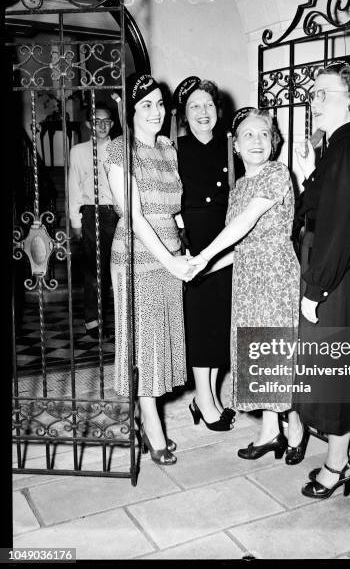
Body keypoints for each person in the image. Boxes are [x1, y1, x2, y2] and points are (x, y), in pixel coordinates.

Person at [190, 108, 307, 464]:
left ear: (274, 143)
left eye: (264, 134)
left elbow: (246, 222)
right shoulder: (239, 185)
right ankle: (271, 431)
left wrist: (205, 254)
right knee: (259, 351)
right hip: (246, 276)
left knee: (278, 349)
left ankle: (296, 427)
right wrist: (204, 268)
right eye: (248, 135)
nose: (257, 141)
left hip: (274, 274)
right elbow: (240, 245)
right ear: (236, 146)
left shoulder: (276, 173)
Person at [293, 60, 350, 498]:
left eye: (323, 93)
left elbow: (341, 226)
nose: (314, 102)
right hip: (333, 264)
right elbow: (318, 207)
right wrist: (310, 168)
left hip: (336, 273)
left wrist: (317, 288)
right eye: (313, 95)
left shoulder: (348, 149)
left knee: (336, 371)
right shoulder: (338, 148)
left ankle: (338, 464)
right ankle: (341, 455)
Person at [104, 73, 194, 465]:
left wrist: (185, 247)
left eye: (160, 104)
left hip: (169, 254)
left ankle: (148, 415)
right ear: (129, 109)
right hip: (136, 258)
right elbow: (135, 216)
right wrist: (170, 259)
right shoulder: (117, 150)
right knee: (144, 343)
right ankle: (152, 426)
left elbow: (173, 211)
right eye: (146, 105)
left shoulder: (167, 149)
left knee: (160, 342)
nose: (156, 112)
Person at [172, 76, 236, 431]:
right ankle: (205, 400)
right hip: (193, 244)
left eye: (209, 105)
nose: (203, 112)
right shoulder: (174, 148)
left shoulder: (229, 145)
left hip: (225, 242)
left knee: (218, 323)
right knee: (199, 322)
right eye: (195, 106)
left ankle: (206, 396)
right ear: (184, 113)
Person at [68, 102, 118, 339]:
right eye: (97, 121)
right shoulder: (78, 151)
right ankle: (92, 323)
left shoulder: (119, 148)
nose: (102, 126)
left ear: (113, 123)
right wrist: (75, 221)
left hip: (117, 214)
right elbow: (74, 187)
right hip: (91, 213)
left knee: (118, 270)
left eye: (107, 121)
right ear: (89, 124)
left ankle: (121, 322)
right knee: (94, 272)